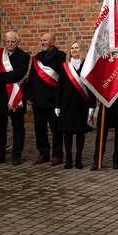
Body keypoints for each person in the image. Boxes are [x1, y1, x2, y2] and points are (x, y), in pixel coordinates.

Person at [0, 31, 30, 165]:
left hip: (16, 97)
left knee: (17, 127)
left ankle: (16, 154)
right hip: (0, 96)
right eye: (7, 41)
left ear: (18, 42)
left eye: (12, 41)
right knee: (0, 127)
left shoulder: (23, 56)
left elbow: (18, 75)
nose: (10, 44)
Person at [26, 33, 66, 165]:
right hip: (38, 100)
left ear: (53, 42)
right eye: (41, 40)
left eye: (45, 40)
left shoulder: (61, 57)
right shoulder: (37, 58)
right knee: (39, 129)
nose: (42, 42)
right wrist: (29, 96)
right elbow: (31, 79)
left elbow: (63, 80)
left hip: (53, 101)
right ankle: (43, 153)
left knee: (56, 130)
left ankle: (57, 154)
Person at [54, 40, 94, 169]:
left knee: (80, 133)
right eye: (72, 48)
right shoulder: (65, 66)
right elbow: (59, 87)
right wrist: (57, 105)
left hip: (82, 103)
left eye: (77, 48)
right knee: (67, 133)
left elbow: (91, 87)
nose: (74, 50)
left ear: (81, 50)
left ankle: (78, 159)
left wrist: (92, 106)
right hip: (67, 103)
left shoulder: (86, 66)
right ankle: (68, 159)